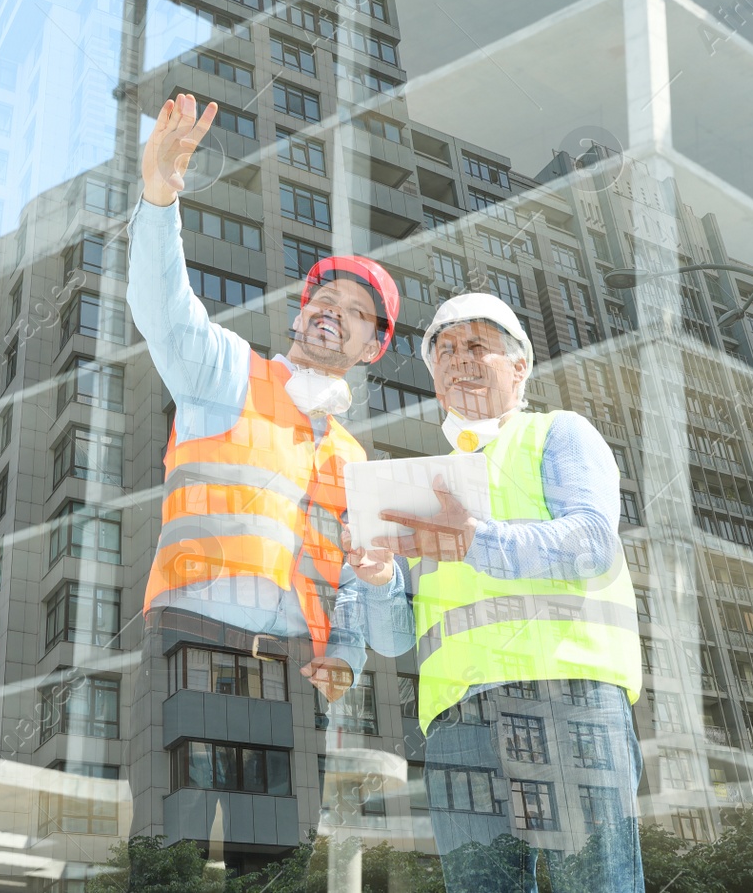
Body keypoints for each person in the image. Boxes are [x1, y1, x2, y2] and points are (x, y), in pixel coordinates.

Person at [348, 292, 644, 892]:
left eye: (478, 346)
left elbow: (590, 540)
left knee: (594, 883)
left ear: (519, 367)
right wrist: (378, 583)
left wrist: (475, 539)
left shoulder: (558, 435)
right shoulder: (426, 488)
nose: (459, 359)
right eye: (446, 351)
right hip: (458, 722)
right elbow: (396, 638)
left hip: (568, 695)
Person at [127, 93, 401, 701]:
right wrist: (158, 200)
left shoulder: (354, 461)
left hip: (297, 677)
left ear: (371, 348)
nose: (334, 313)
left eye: (357, 313)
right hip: (192, 644)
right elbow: (163, 311)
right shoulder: (228, 371)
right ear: (303, 314)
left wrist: (347, 661)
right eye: (325, 300)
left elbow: (355, 586)